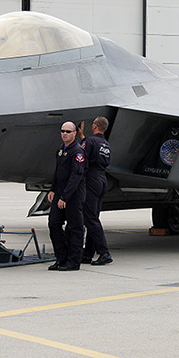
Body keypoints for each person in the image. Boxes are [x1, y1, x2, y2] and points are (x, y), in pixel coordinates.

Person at [47, 121, 86, 271]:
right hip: (60, 192)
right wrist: (52, 189)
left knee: (74, 227)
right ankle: (61, 258)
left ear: (75, 133)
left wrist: (64, 197)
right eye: (62, 131)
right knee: (54, 223)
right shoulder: (61, 150)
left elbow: (76, 177)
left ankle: (74, 261)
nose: (64, 134)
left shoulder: (78, 152)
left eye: (68, 131)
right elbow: (58, 172)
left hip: (73, 195)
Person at [78, 116, 113, 266]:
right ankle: (88, 254)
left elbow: (83, 157)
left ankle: (104, 252)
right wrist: (83, 137)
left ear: (95, 126)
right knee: (94, 217)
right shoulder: (105, 144)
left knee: (90, 218)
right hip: (102, 179)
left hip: (91, 179)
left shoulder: (90, 142)